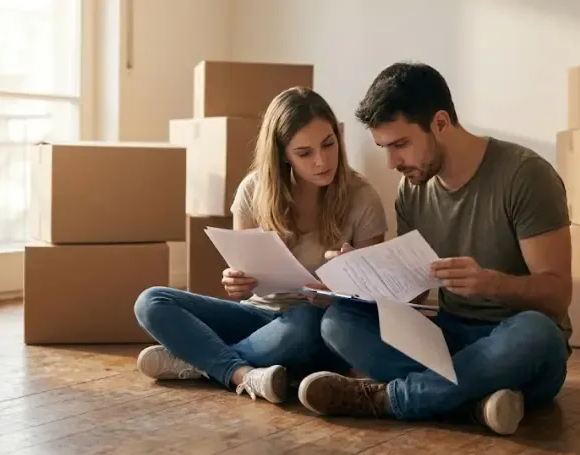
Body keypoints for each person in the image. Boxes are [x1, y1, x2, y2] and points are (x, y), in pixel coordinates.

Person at [296, 62, 572, 436]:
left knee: (536, 333)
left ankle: (389, 399)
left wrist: (490, 284)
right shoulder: (413, 190)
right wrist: (361, 278)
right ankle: (473, 404)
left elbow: (558, 295)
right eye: (384, 148)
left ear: (440, 123)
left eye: (400, 145)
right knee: (339, 322)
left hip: (515, 343)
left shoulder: (526, 176)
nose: (392, 163)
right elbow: (415, 294)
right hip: (449, 337)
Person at [133, 86, 388, 404]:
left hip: (317, 329)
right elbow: (247, 290)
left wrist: (347, 286)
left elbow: (373, 307)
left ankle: (200, 360)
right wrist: (236, 282)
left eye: (328, 144)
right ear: (282, 154)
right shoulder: (253, 191)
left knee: (307, 324)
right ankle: (242, 374)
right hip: (257, 318)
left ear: (338, 136)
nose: (322, 161)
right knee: (151, 301)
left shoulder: (362, 198)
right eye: (304, 153)